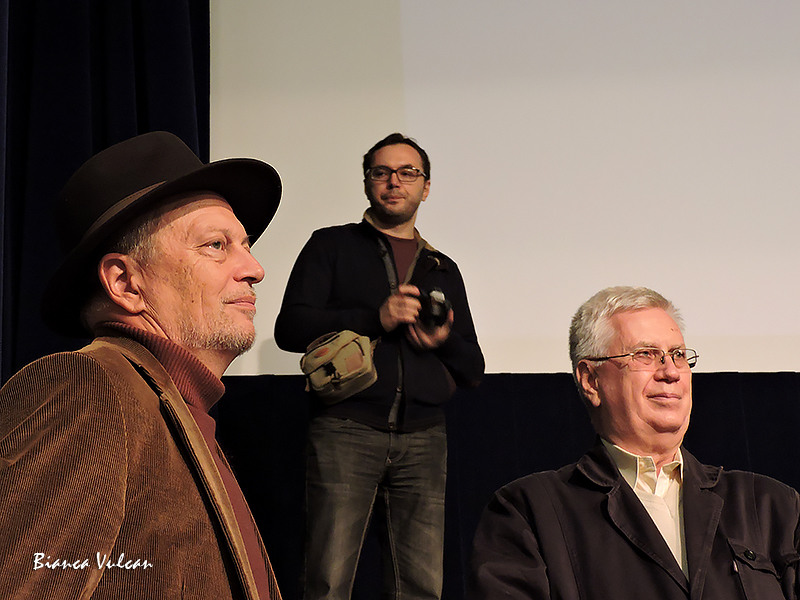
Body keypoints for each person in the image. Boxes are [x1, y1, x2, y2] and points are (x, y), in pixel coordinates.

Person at [0, 131, 283, 600]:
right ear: (125, 283)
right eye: (215, 245)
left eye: (245, 245)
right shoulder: (87, 387)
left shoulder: (174, 407)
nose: (255, 268)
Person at [469, 286, 800, 600]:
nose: (671, 372)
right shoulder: (529, 512)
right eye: (646, 355)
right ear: (591, 380)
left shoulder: (771, 506)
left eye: (678, 355)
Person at [274, 132, 484, 599]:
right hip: (345, 429)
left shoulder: (442, 267)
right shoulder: (331, 245)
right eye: (382, 172)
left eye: (408, 173)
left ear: (425, 187)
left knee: (420, 587)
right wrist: (376, 319)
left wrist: (443, 340)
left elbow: (473, 368)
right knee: (328, 582)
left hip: (425, 437)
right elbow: (290, 328)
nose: (394, 181)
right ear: (367, 183)